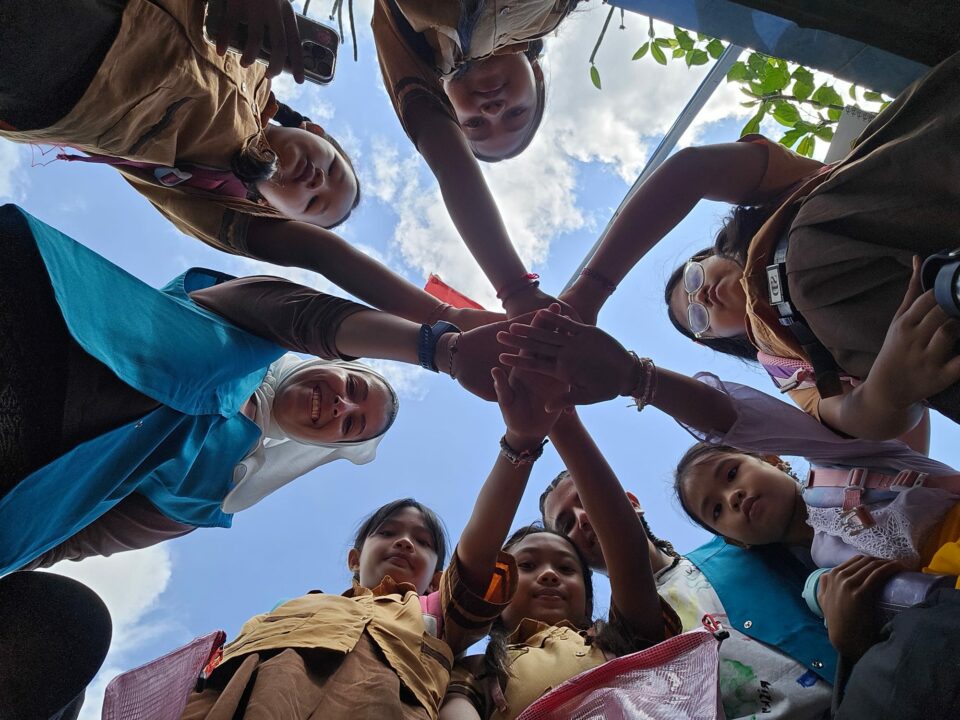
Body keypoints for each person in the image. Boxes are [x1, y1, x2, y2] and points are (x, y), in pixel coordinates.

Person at [0, 203, 513, 574]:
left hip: (22, 455)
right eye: (353, 385)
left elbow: (77, 534)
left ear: (325, 445)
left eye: (352, 424)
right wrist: (439, 348)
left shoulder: (209, 497)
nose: (341, 404)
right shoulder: (251, 332)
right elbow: (306, 317)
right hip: (32, 315)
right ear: (331, 360)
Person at [0, 0, 496, 330]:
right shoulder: (265, 59)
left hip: (67, 73)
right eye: (332, 170)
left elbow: (324, 256)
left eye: (312, 204)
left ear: (270, 209)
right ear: (318, 133)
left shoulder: (214, 195)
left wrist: (445, 318)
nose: (316, 182)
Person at [558, 49, 960, 437]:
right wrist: (890, 389)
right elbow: (855, 417)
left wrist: (588, 293)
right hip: (932, 323)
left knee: (803, 258)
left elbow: (691, 170)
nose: (703, 298)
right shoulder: (785, 366)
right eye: (698, 318)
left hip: (921, 179)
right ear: (722, 339)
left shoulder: (779, 200)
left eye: (695, 279)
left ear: (712, 254)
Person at [179, 357, 562, 718]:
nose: (404, 542)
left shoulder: (439, 615)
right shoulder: (298, 605)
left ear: (438, 578)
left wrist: (518, 444)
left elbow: (476, 556)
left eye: (423, 542)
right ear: (354, 558)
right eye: (388, 532)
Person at [441, 411, 681, 720]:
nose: (549, 574)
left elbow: (629, 551)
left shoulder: (625, 639)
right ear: (495, 597)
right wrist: (521, 440)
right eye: (527, 565)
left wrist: (561, 416)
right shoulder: (477, 670)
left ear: (588, 598)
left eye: (567, 569)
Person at [371, 0, 583, 317]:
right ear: (536, 73)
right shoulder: (548, 13)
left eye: (474, 124)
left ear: (444, 104)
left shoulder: (413, 45)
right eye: (516, 113)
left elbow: (447, 159)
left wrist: (514, 289)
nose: (493, 112)